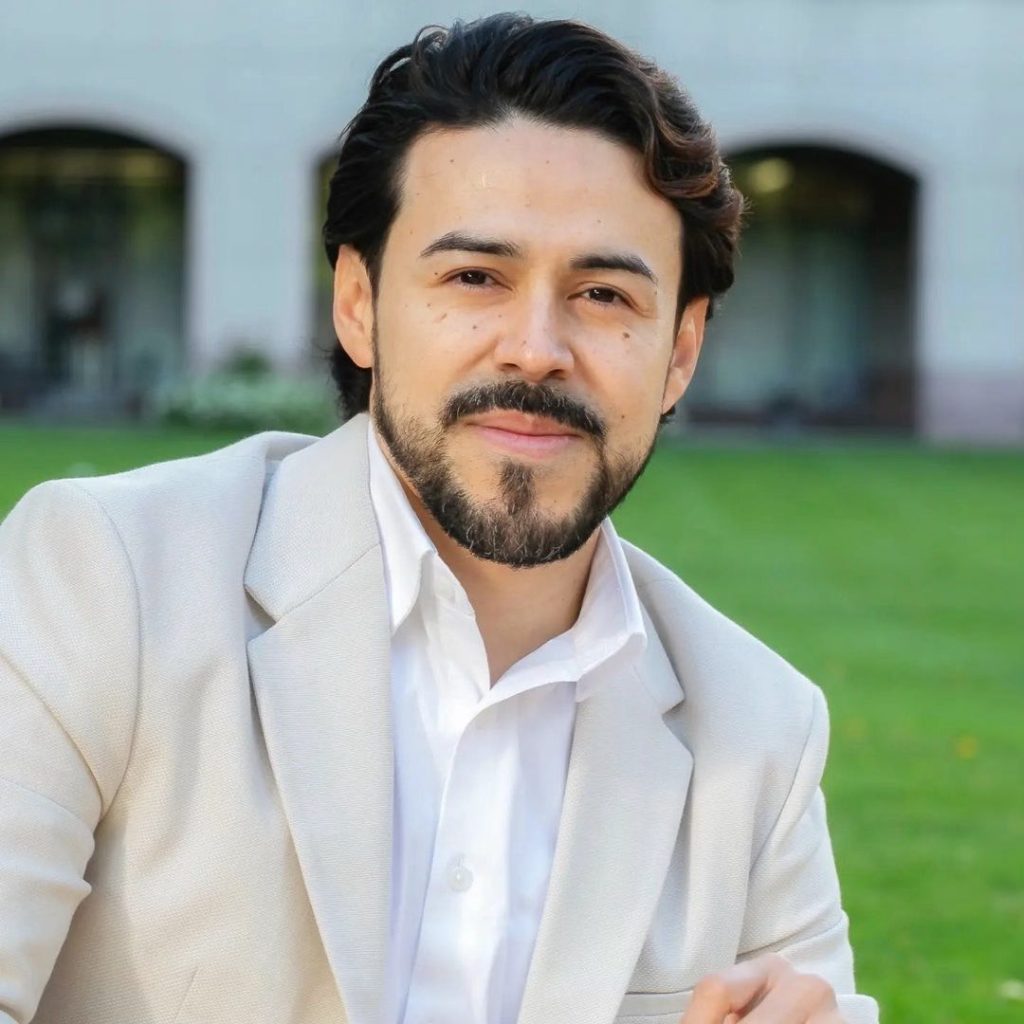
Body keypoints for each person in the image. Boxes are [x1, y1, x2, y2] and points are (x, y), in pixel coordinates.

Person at [0, 14, 879, 1024]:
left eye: (603, 294)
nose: (536, 348)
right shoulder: (106, 580)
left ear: (679, 352)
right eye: (475, 277)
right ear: (358, 304)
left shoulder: (760, 734)